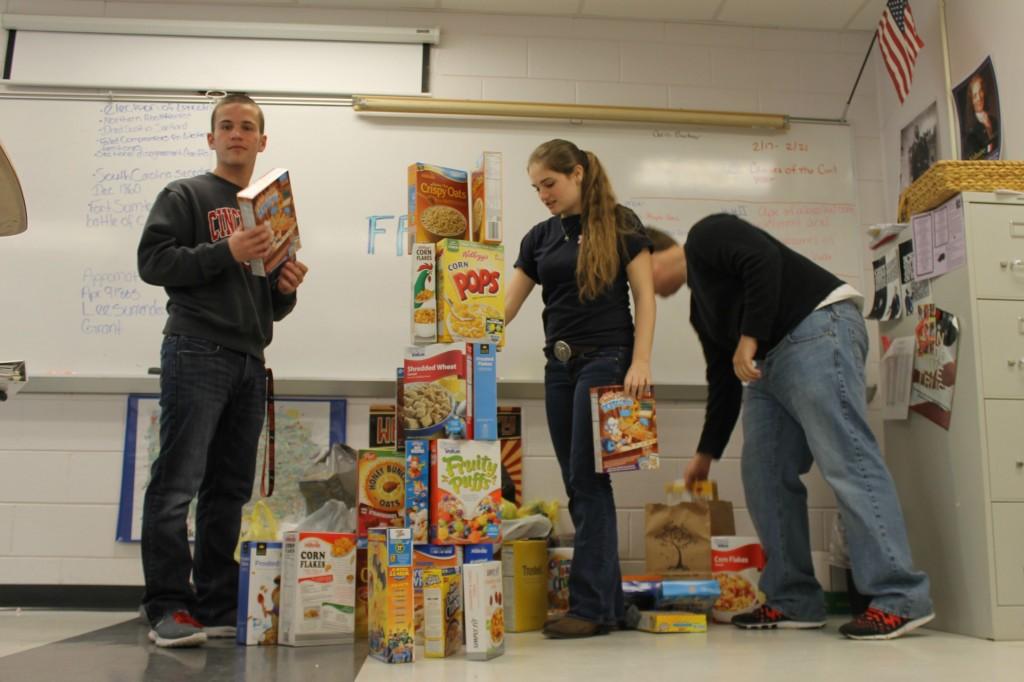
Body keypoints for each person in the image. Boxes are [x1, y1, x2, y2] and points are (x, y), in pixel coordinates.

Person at [647, 216, 934, 640]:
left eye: (638, 275)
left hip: (816, 327)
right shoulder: (700, 309)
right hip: (771, 362)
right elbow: (723, 381)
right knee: (763, 472)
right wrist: (705, 454)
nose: (646, 290)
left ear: (648, 253)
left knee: (846, 457)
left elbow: (762, 260)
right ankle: (793, 597)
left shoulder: (706, 235)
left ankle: (900, 597)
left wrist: (748, 338)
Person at [137, 94, 309, 648]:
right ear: (211, 138)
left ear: (263, 142)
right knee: (177, 485)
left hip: (249, 359)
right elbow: (154, 263)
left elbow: (266, 305)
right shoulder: (185, 195)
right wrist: (225, 249)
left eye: (248, 127)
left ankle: (214, 604)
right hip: (196, 350)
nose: (237, 134)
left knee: (228, 491)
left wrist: (284, 292)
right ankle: (167, 607)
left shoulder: (267, 208)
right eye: (227, 126)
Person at [505, 139, 655, 639]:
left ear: (579, 173)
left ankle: (590, 609)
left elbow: (644, 297)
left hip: (607, 360)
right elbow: (507, 305)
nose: (543, 194)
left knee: (590, 482)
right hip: (560, 365)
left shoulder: (620, 222)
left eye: (550, 183)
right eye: (536, 187)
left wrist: (641, 362)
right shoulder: (539, 237)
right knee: (578, 482)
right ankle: (611, 606)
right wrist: (470, 332)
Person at [962, 72, 999, 160]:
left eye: (980, 91)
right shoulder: (970, 134)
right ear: (971, 100)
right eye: (975, 95)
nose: (979, 98)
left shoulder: (994, 120)